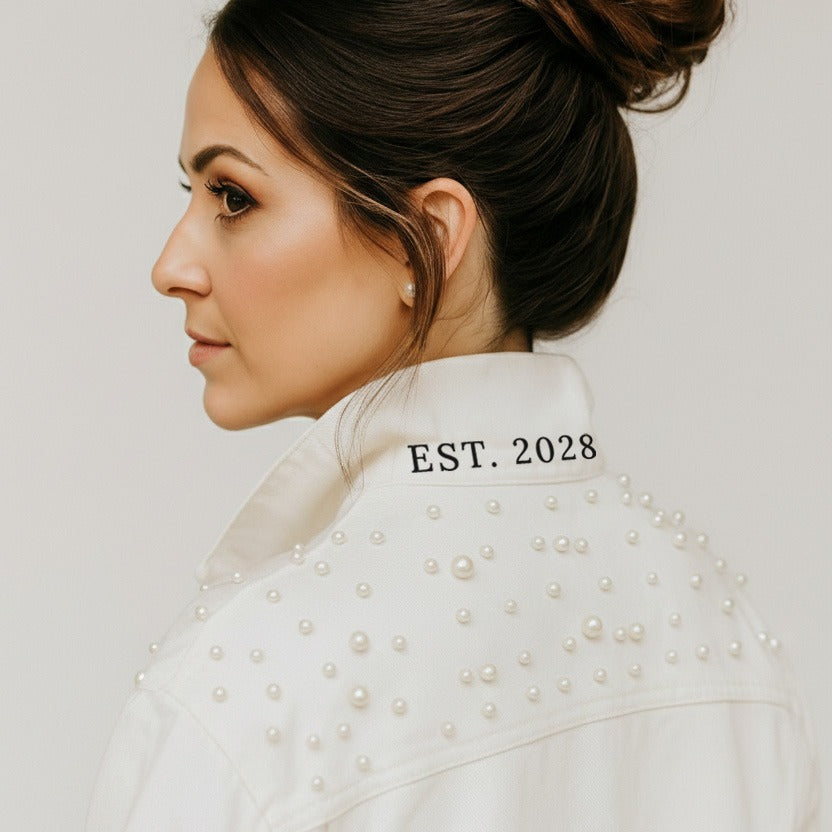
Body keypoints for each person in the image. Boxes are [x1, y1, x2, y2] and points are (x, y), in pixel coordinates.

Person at [86, 1, 822, 829]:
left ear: (428, 240)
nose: (170, 266)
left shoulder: (251, 691)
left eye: (231, 197)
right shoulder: (727, 638)